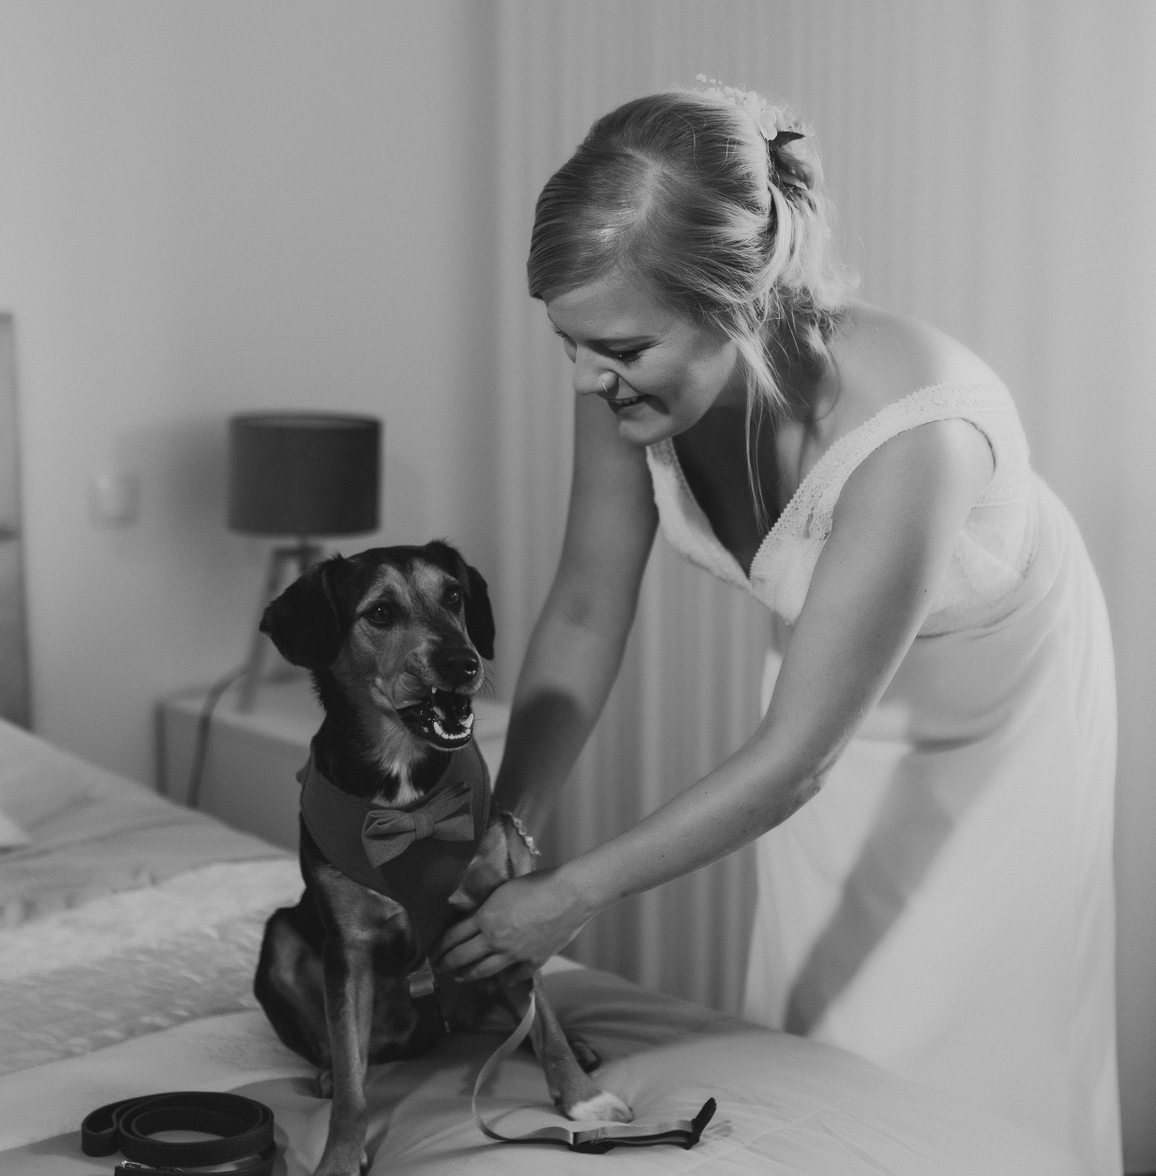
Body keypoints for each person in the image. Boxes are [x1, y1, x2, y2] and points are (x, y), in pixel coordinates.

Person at [433, 84, 1121, 1174]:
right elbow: (585, 604)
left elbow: (796, 761)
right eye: (568, 341)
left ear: (739, 302)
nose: (586, 376)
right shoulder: (620, 369)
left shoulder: (919, 434)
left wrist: (570, 895)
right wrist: (512, 821)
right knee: (821, 1017)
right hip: (823, 689)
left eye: (618, 348)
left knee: (969, 1039)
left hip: (995, 716)